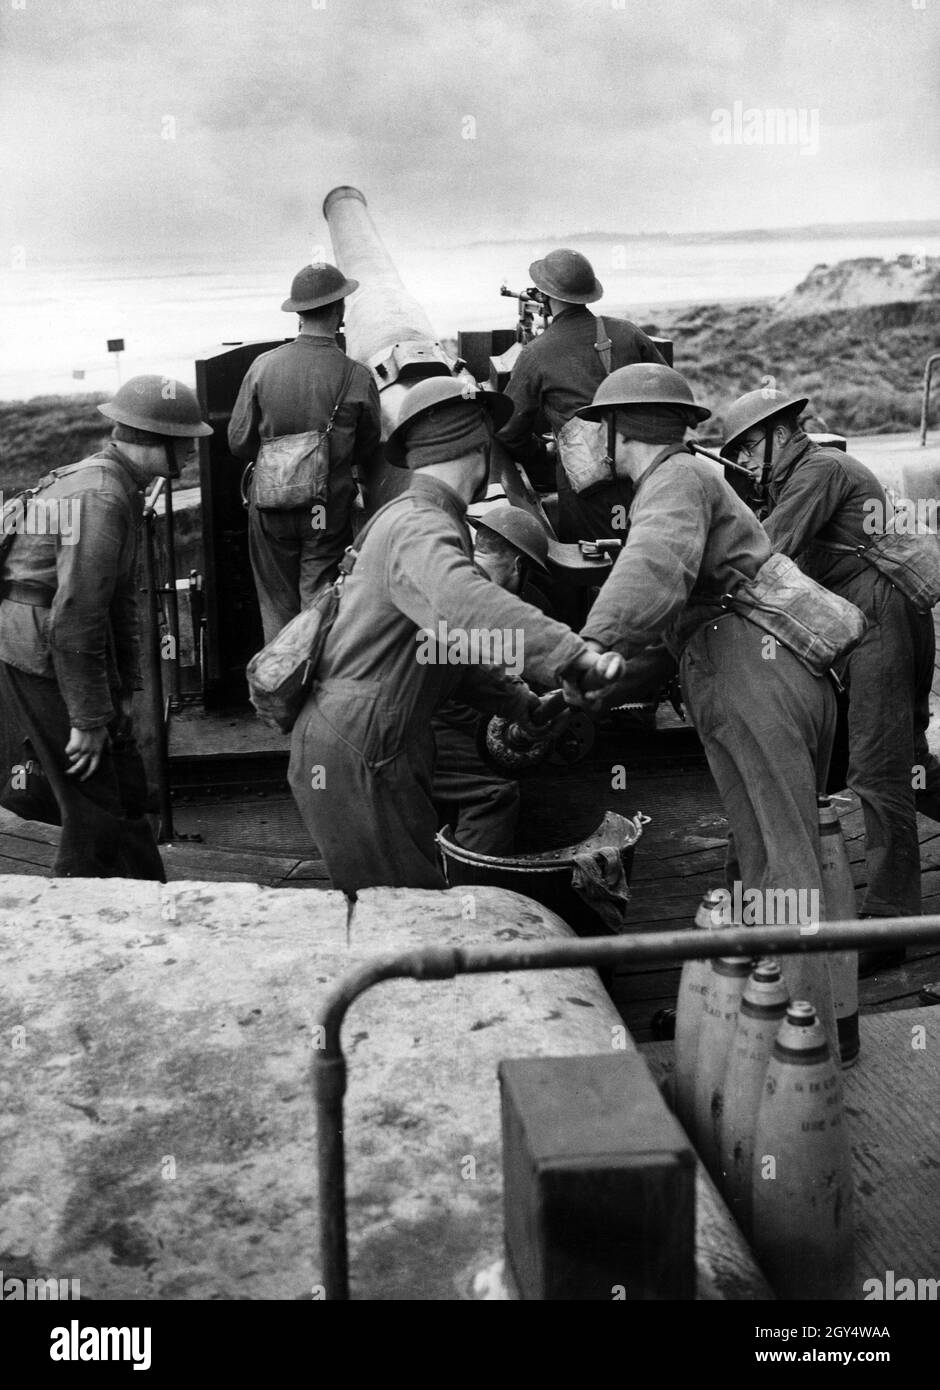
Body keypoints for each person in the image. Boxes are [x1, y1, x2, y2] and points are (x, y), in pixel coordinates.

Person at [568, 363, 842, 1041]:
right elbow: (668, 631)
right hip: (737, 668)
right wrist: (601, 692)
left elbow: (653, 571)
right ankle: (757, 1015)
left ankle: (809, 1032)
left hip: (755, 673)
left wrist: (586, 648)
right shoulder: (681, 481)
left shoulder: (676, 480)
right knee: (758, 858)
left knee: (788, 865)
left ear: (616, 430)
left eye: (596, 426)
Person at [287, 377, 625, 894]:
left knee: (410, 903)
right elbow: (463, 604)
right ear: (480, 448)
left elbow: (443, 647)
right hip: (364, 746)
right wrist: (569, 656)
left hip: (372, 740)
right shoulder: (421, 526)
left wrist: (518, 704)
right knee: (402, 917)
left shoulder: (410, 517)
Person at [723, 388, 940, 966]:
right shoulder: (809, 470)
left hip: (880, 613)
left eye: (747, 449)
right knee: (907, 756)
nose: (743, 463)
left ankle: (891, 925)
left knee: (876, 766)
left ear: (778, 436)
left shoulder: (818, 470)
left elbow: (768, 550)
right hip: (882, 613)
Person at [0, 374, 213, 879]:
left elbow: (116, 602)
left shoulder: (114, 482)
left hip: (49, 645)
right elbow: (76, 618)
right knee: (95, 805)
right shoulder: (103, 497)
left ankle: (149, 896)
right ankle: (80, 912)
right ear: (156, 439)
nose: (189, 452)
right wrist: (89, 719)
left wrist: (122, 693)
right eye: (184, 440)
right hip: (42, 651)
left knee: (126, 791)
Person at [228, 262, 382, 642]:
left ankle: (277, 691)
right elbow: (367, 447)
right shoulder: (357, 376)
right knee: (319, 604)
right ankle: (318, 690)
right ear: (339, 310)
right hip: (321, 511)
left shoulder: (263, 368)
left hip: (271, 507)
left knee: (276, 606)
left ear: (298, 312)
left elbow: (239, 442)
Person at [496, 247, 666, 542]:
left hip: (587, 489)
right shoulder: (628, 332)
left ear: (545, 296)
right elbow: (669, 391)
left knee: (594, 564)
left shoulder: (536, 353)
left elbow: (509, 431)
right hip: (648, 473)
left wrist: (546, 455)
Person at [432, 504, 557, 855]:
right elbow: (460, 700)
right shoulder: (483, 602)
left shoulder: (450, 574)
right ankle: (473, 896)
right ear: (519, 567)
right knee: (496, 791)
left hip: (381, 711)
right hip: (414, 727)